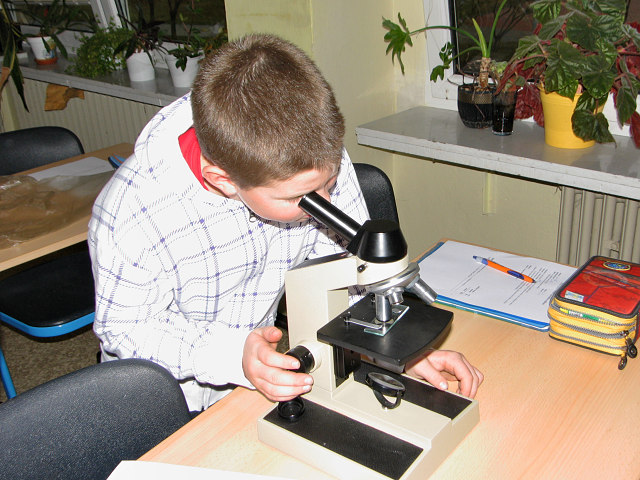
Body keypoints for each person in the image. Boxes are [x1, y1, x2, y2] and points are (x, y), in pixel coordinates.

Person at [88, 33, 483, 413]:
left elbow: (349, 274)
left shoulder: (308, 155)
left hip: (259, 375)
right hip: (167, 397)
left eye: (330, 183)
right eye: (302, 199)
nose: (326, 203)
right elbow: (125, 329)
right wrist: (231, 355)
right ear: (222, 180)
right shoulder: (133, 212)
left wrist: (397, 350)